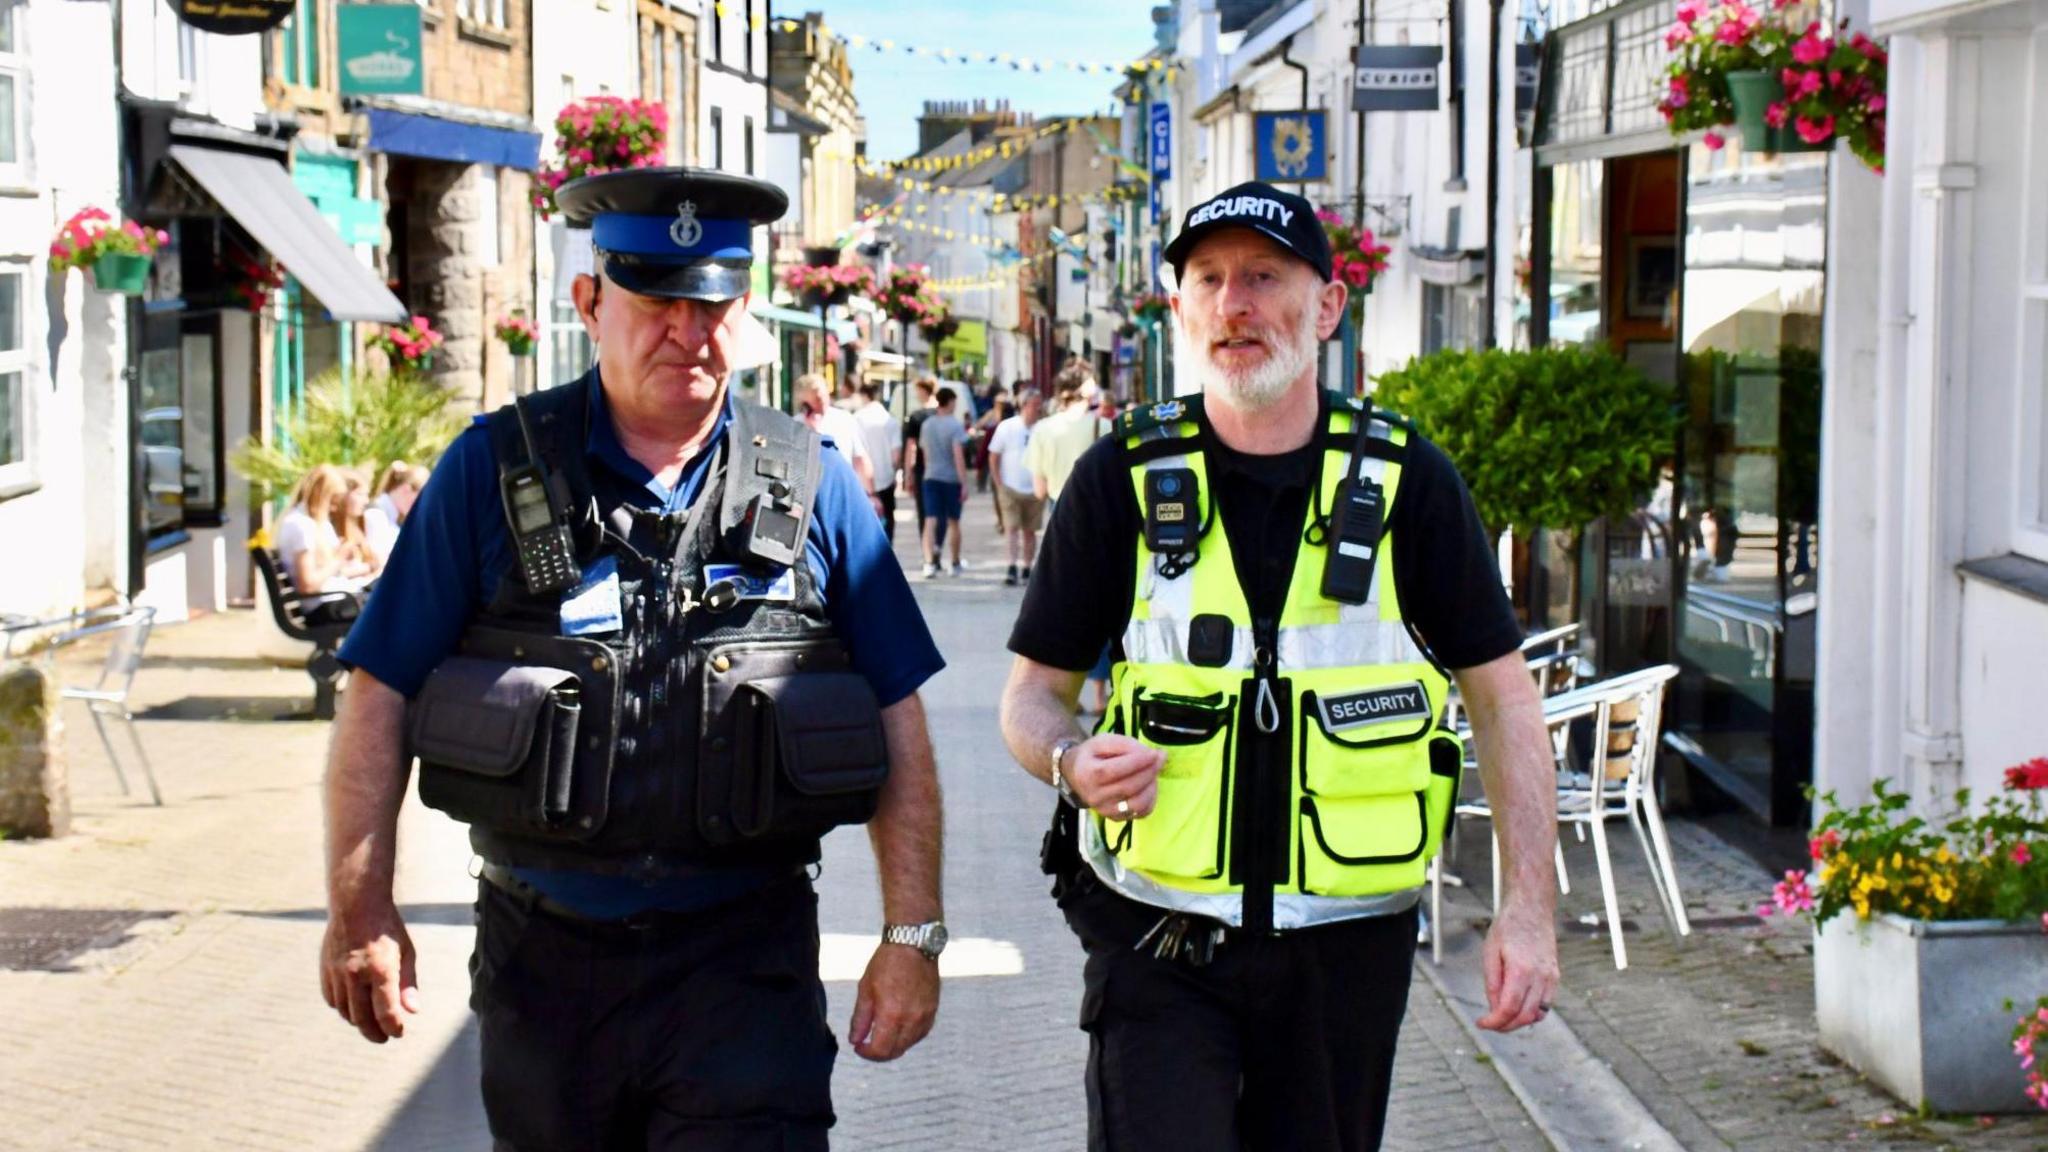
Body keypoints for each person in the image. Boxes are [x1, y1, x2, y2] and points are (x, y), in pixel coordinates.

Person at [320, 168, 948, 1151]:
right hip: (546, 967)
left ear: (743, 312)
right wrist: (362, 908)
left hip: (747, 964)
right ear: (589, 302)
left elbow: (895, 717)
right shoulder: (491, 471)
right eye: (656, 301)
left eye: (712, 307)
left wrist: (912, 936)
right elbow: (379, 693)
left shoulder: (811, 485)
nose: (687, 333)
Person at [996, 181, 1562, 1152]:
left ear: (1327, 305)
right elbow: (1029, 700)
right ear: (1178, 307)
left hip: (1344, 952)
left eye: (1262, 275)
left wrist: (1526, 911)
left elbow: (1504, 702)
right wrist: (1068, 763)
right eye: (1207, 279)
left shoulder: (1403, 480)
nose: (1233, 304)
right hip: (1155, 936)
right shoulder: (1119, 478)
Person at [276, 465, 375, 619]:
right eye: (333, 501)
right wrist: (338, 559)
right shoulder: (301, 526)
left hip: (335, 598)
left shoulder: (312, 523)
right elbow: (307, 585)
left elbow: (328, 573)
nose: (335, 508)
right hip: (324, 606)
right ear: (320, 496)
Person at [1026, 364, 1111, 504]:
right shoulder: (1105, 426)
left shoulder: (1042, 429)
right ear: (1087, 390)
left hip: (1058, 509)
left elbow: (1040, 491)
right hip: (1096, 509)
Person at [986, 388, 1045, 587]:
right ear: (1024, 405)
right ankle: (1011, 566)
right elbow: (993, 455)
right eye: (1034, 405)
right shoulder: (1007, 427)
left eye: (1039, 405)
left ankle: (1027, 567)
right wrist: (998, 482)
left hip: (1035, 489)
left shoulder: (1043, 428)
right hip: (1009, 486)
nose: (1037, 409)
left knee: (1030, 531)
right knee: (1011, 528)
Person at [916, 386, 970, 579]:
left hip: (931, 476)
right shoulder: (955, 426)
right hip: (951, 478)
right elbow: (958, 456)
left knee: (930, 520)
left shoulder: (927, 424)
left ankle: (929, 562)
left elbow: (925, 452)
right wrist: (964, 481)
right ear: (950, 402)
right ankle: (954, 562)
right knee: (953, 521)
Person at [795, 371, 877, 498]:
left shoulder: (844, 419)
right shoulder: (797, 424)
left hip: (843, 488)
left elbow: (860, 458)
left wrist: (871, 494)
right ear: (804, 403)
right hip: (811, 492)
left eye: (822, 396)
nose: (821, 402)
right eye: (815, 400)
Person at [852, 380, 904, 540]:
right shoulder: (890, 420)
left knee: (864, 522)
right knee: (888, 518)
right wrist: (896, 473)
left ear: (863, 396)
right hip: (886, 479)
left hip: (862, 481)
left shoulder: (855, 418)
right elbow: (896, 455)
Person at [363, 461, 429, 568]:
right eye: (419, 498)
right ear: (406, 489)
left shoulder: (392, 519)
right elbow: (379, 562)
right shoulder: (375, 515)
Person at [901, 377, 939, 540]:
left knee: (924, 511)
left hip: (923, 468)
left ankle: (927, 547)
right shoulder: (941, 413)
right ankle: (936, 544)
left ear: (924, 391)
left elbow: (911, 447)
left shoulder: (916, 417)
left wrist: (907, 473)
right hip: (941, 467)